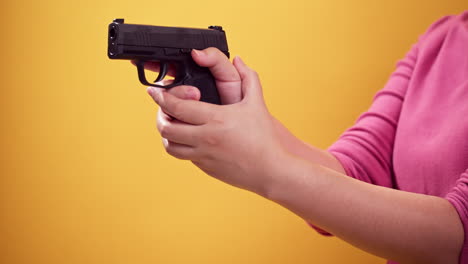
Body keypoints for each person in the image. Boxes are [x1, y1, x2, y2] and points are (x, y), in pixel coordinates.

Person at [137, 11, 468, 264]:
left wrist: (270, 169)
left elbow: (454, 237)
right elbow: (355, 174)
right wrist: (245, 117)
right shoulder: (442, 38)